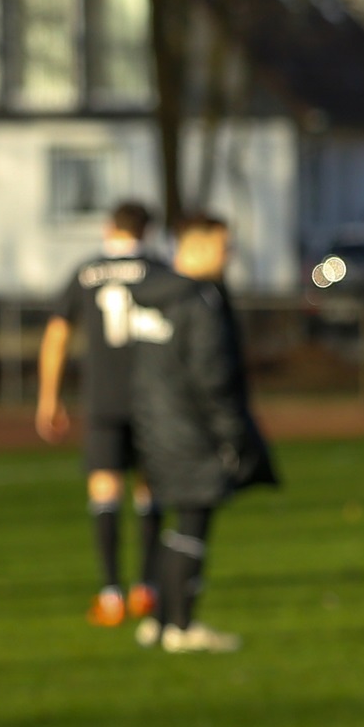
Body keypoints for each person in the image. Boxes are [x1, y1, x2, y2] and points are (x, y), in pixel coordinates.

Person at [124, 212, 276, 653]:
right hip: (191, 429)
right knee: (193, 523)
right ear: (197, 246)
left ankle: (158, 621)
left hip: (154, 427)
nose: (229, 256)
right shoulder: (199, 300)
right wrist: (233, 437)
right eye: (224, 246)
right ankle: (182, 626)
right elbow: (214, 377)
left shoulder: (154, 295)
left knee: (171, 526)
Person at [39, 201, 165, 628]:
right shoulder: (160, 270)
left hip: (103, 399)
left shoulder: (85, 271)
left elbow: (57, 334)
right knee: (150, 490)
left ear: (110, 228)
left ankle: (110, 593)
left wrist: (48, 397)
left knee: (105, 490)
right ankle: (147, 588)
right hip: (154, 398)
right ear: (146, 231)